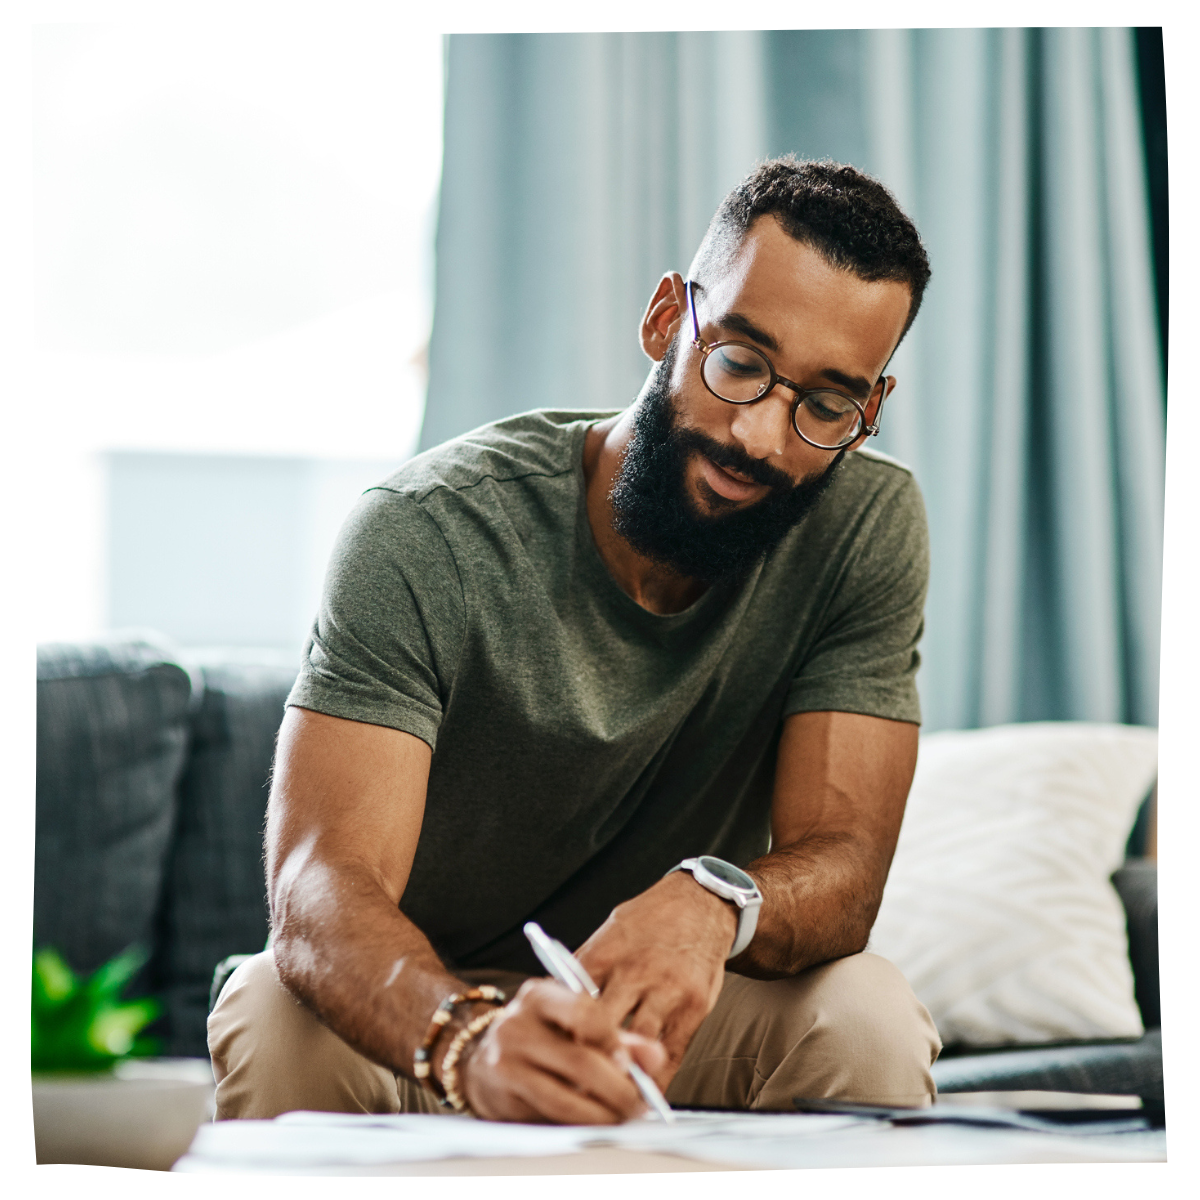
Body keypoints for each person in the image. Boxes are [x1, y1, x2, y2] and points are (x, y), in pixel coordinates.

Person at [209, 157, 943, 1124]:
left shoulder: (864, 525)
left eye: (824, 404)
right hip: (425, 1008)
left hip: (655, 1021)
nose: (762, 438)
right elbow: (318, 888)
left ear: (870, 410)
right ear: (665, 321)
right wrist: (465, 1041)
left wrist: (713, 900)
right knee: (273, 1006)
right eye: (739, 363)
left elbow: (843, 867)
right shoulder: (426, 529)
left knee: (866, 1013)